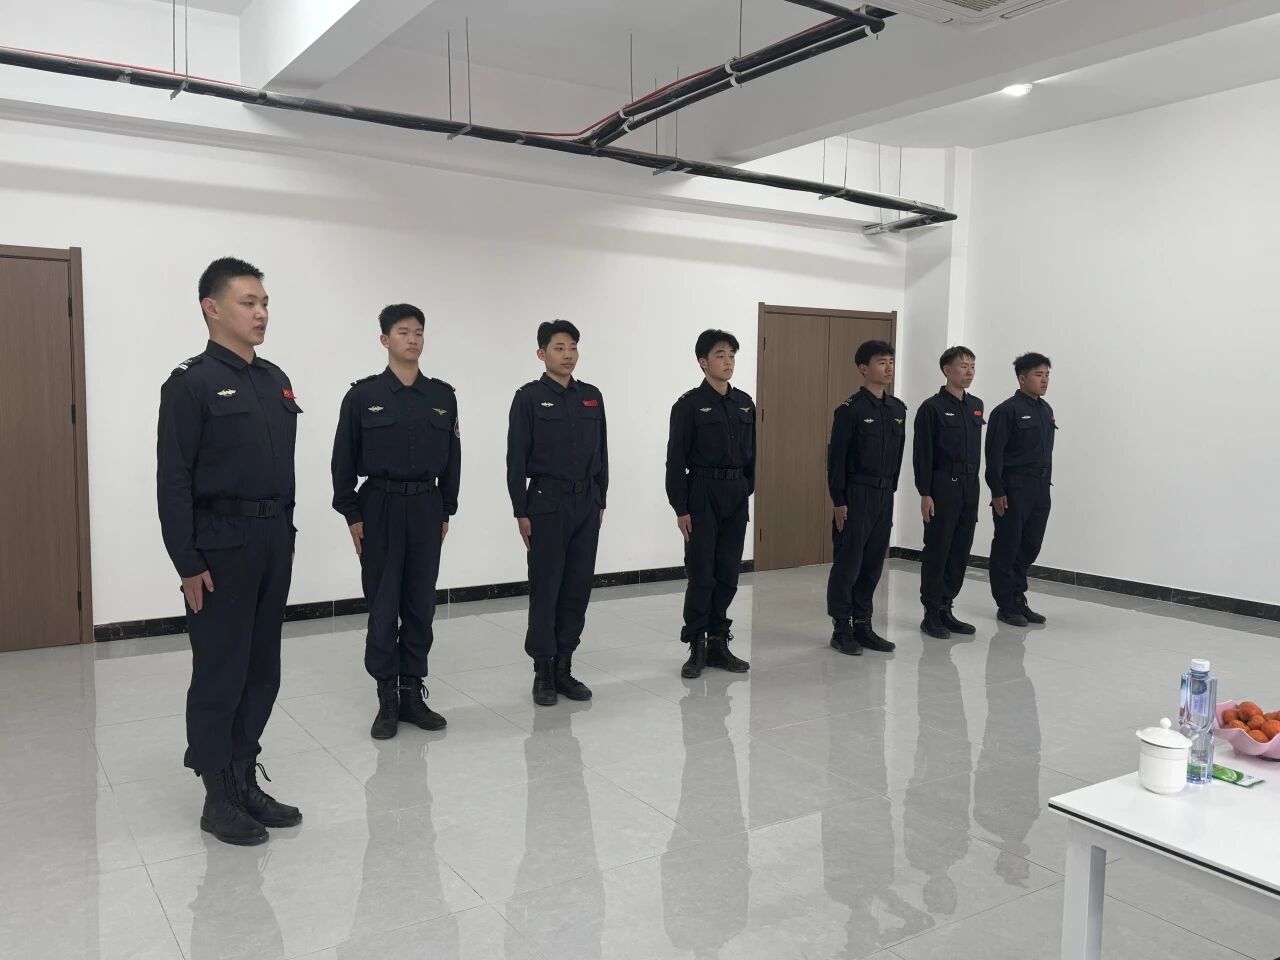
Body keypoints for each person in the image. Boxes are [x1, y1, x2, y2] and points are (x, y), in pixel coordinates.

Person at [156, 257, 302, 846]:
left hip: (272, 541)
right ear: (212, 308)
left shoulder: (274, 379)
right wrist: (187, 561)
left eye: (264, 302)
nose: (261, 312)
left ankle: (244, 778)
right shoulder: (189, 384)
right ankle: (217, 796)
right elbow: (173, 480)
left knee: (263, 669)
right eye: (249, 302)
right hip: (220, 548)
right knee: (221, 670)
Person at [332, 304, 460, 740]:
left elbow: (453, 458)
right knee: (384, 604)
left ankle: (411, 693)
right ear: (385, 339)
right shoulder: (362, 396)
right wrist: (352, 513)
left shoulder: (442, 397)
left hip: (426, 506)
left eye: (419, 332)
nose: (413, 339)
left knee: (420, 604)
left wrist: (446, 508)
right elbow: (343, 459)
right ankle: (387, 697)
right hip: (380, 507)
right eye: (403, 332)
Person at [506, 320, 607, 706]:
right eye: (559, 348)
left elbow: (603, 451)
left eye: (573, 347)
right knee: (546, 587)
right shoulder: (528, 398)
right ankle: (544, 671)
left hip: (586, 503)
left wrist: (601, 500)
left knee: (578, 587)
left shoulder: (592, 396)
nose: (568, 355)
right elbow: (516, 458)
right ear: (542, 353)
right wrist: (521, 509)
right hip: (546, 503)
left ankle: (565, 665)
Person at [664, 329, 754, 679]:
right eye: (720, 355)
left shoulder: (744, 402)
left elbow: (753, 455)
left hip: (735, 493)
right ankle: (697, 645)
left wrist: (744, 488)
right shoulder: (688, 405)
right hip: (702, 492)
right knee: (702, 572)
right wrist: (681, 508)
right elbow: (675, 461)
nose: (728, 361)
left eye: (732, 355)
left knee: (728, 571)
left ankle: (718, 642)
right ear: (703, 362)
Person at [825, 339, 905, 656]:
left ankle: (863, 624)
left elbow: (898, 455)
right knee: (848, 564)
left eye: (891, 361)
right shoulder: (850, 410)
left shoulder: (897, 409)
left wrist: (891, 490)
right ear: (863, 368)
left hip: (884, 494)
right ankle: (841, 628)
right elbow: (836, 460)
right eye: (881, 362)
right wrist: (839, 500)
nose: (888, 368)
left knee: (872, 564)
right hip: (856, 494)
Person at [913, 346, 984, 639]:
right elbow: (922, 454)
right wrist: (925, 492)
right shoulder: (931, 408)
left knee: (959, 550)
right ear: (946, 370)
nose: (969, 372)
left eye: (972, 366)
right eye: (963, 366)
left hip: (969, 486)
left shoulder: (976, 405)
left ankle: (946, 607)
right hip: (943, 485)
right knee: (938, 549)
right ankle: (931, 613)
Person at [984, 352, 1055, 626]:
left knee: (1030, 545)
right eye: (1039, 375)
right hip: (1013, 489)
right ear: (1022, 378)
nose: (1044, 380)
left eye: (1047, 375)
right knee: (1008, 546)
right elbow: (994, 456)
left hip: (1040, 489)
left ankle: (1018, 598)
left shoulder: (1045, 410)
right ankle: (1006, 604)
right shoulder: (1006, 411)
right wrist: (997, 490)